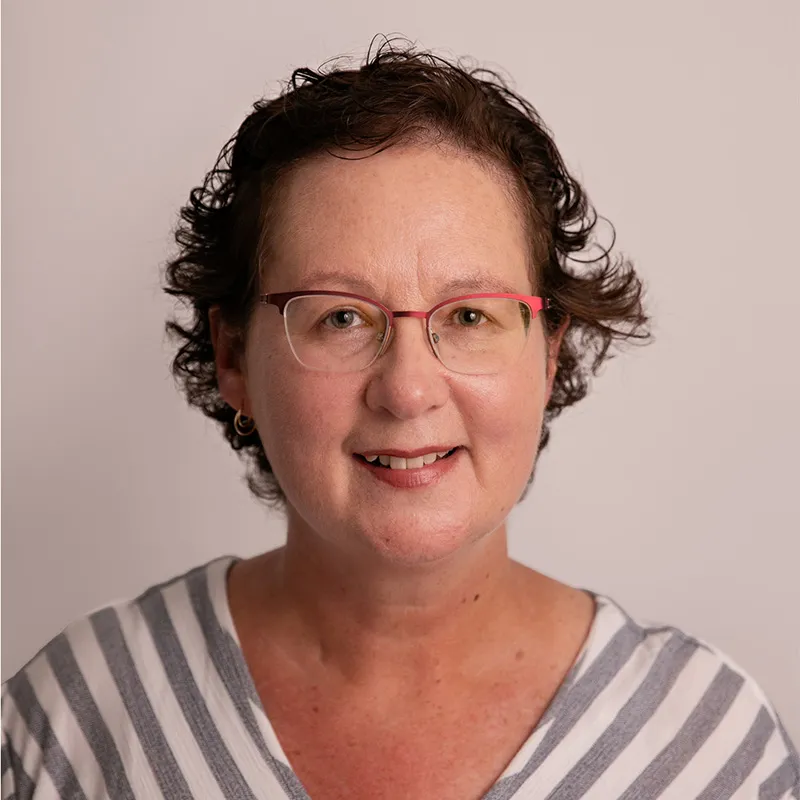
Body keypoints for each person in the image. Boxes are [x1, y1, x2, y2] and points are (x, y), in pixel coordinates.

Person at [2, 39, 798, 800]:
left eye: (471, 316)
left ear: (549, 353)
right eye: (341, 318)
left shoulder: (709, 746)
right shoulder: (68, 724)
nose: (408, 391)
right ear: (234, 357)